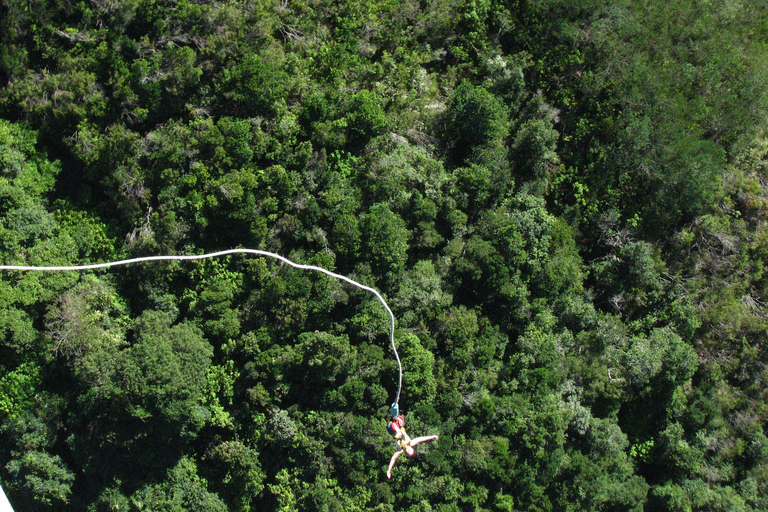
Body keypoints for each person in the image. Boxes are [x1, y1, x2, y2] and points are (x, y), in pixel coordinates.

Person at [386, 414, 438, 479]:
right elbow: (421, 439)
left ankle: (396, 422)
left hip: (391, 428)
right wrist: (433, 436)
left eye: (408, 452)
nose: (408, 450)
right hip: (399, 426)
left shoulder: (401, 449)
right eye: (410, 450)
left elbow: (393, 459)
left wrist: (389, 470)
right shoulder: (411, 442)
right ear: (412, 448)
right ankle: (396, 418)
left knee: (396, 428)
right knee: (402, 420)